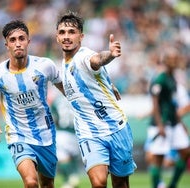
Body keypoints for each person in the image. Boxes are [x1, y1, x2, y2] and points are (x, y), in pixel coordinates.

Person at [0, 20, 64, 188]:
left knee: (47, 184)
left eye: (21, 38)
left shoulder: (45, 66)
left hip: (46, 135)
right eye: (12, 40)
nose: (18, 43)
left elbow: (68, 90)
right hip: (18, 135)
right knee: (31, 182)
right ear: (6, 45)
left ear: (28, 41)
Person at [56, 11, 136, 188]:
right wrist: (108, 83)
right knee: (98, 183)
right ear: (57, 37)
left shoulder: (84, 55)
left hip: (116, 128)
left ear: (81, 37)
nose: (67, 37)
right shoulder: (63, 65)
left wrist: (110, 54)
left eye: (72, 32)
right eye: (62, 32)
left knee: (120, 183)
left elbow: (97, 60)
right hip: (89, 133)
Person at [146, 47, 190, 188]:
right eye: (170, 59)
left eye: (175, 59)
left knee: (185, 152)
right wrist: (160, 125)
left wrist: (180, 122)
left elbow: (173, 104)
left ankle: (172, 185)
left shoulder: (172, 79)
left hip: (173, 122)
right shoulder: (160, 78)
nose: (173, 62)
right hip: (162, 124)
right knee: (158, 159)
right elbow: (155, 103)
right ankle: (157, 185)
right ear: (165, 61)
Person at [50, 92, 81, 188]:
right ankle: (73, 177)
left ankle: (70, 177)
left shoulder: (56, 100)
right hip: (78, 133)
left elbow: (54, 119)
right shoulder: (78, 96)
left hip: (62, 133)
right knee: (73, 157)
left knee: (63, 158)